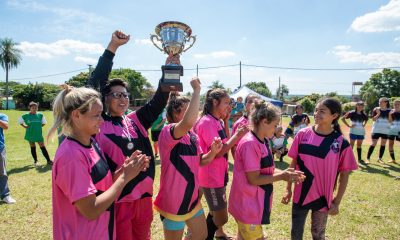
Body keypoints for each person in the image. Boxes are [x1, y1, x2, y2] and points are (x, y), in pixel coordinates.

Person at [87, 30, 173, 240]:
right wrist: (112, 47)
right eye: (116, 95)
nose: (123, 99)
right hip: (117, 200)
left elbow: (159, 100)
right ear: (104, 98)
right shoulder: (99, 124)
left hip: (143, 199)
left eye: (125, 95)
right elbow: (95, 84)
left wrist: (170, 66)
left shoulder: (135, 120)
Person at [48, 86, 149, 240]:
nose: (102, 120)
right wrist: (124, 178)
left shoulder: (92, 144)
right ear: (76, 115)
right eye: (96, 115)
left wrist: (124, 170)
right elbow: (91, 210)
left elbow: (102, 187)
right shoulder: (71, 156)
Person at [154, 78, 223, 240]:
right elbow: (188, 122)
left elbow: (201, 161)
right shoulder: (167, 131)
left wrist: (212, 152)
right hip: (173, 201)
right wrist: (197, 91)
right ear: (176, 114)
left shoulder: (192, 135)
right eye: (188, 109)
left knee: (201, 235)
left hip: (192, 199)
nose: (195, 113)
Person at [282, 98, 358, 240]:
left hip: (323, 198)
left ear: (334, 116)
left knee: (318, 235)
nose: (316, 113)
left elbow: (344, 175)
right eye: (316, 110)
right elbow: (293, 164)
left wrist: (337, 201)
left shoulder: (341, 143)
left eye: (322, 111)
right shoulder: (302, 135)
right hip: (301, 195)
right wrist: (288, 189)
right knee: (295, 234)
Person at [229, 101, 304, 240]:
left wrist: (287, 172)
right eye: (275, 125)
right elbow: (254, 179)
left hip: (254, 204)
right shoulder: (250, 143)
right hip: (247, 205)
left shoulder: (263, 140)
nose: (276, 129)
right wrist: (282, 176)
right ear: (264, 121)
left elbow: (266, 170)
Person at [194, 88, 249, 240]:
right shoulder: (206, 122)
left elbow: (224, 141)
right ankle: (201, 235)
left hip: (219, 174)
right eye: (226, 102)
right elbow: (218, 151)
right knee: (221, 218)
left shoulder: (215, 120)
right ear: (214, 102)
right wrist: (238, 135)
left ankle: (205, 236)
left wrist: (225, 121)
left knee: (215, 213)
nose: (228, 106)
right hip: (211, 177)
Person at [18, 101, 52, 166]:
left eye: (36, 108)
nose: (34, 109)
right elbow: (20, 121)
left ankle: (48, 160)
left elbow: (44, 123)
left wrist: (38, 127)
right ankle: (35, 161)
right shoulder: (25, 115)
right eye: (33, 108)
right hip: (30, 133)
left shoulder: (40, 115)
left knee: (42, 146)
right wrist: (25, 126)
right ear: (29, 108)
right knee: (32, 146)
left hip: (38, 134)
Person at [231, 93, 260, 158]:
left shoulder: (262, 122)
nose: (253, 104)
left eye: (256, 102)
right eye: (250, 102)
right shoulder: (239, 123)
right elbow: (234, 147)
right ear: (245, 105)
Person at [366, 97, 391, 164]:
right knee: (373, 143)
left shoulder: (390, 111)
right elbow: (373, 119)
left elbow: (390, 121)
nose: (380, 103)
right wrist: (378, 114)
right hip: (376, 130)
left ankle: (380, 158)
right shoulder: (376, 109)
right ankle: (367, 158)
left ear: (386, 102)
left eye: (381, 102)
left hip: (385, 130)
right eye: (379, 102)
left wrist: (389, 115)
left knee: (383, 144)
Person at [0, 112, 16, 204]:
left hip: (0, 148)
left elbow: (5, 126)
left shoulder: (2, 115)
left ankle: (5, 195)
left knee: (2, 172)